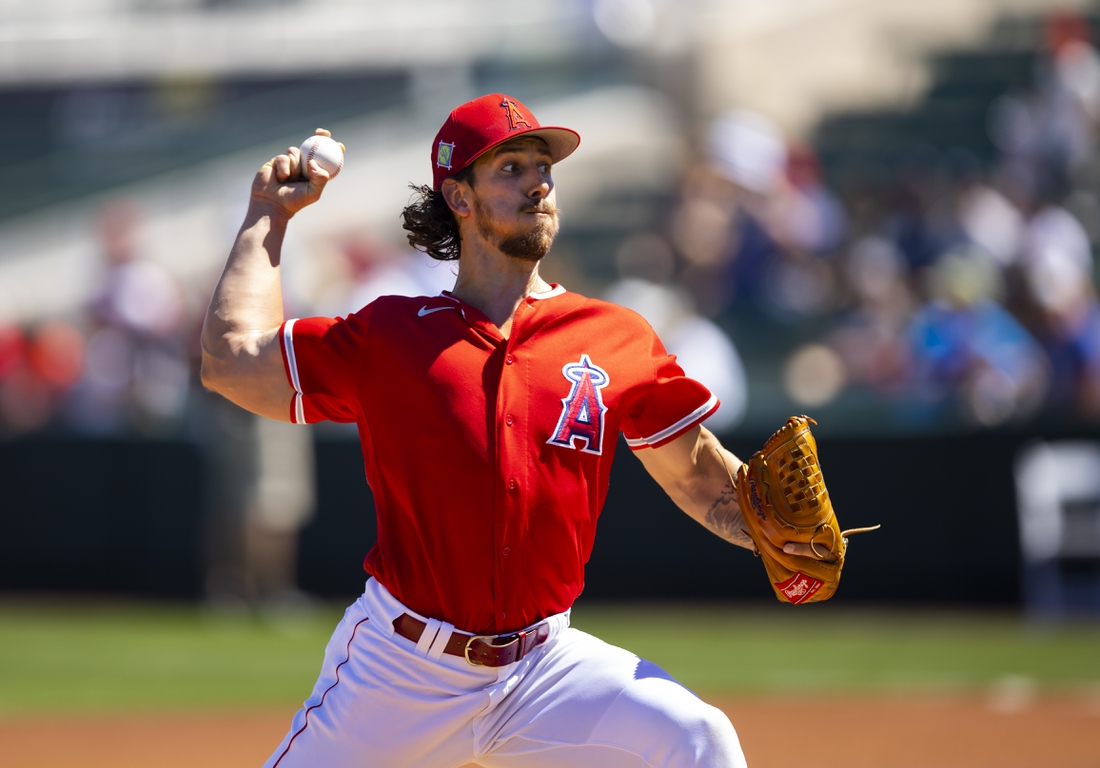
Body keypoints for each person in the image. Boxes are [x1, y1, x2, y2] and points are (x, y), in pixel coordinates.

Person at [201, 94, 827, 768]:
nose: (538, 182)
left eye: (544, 167)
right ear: (459, 197)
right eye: (510, 167)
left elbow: (696, 472)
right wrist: (270, 213)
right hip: (404, 673)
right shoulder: (391, 335)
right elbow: (233, 361)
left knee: (698, 739)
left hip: (546, 668)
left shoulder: (612, 337)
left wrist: (770, 529)